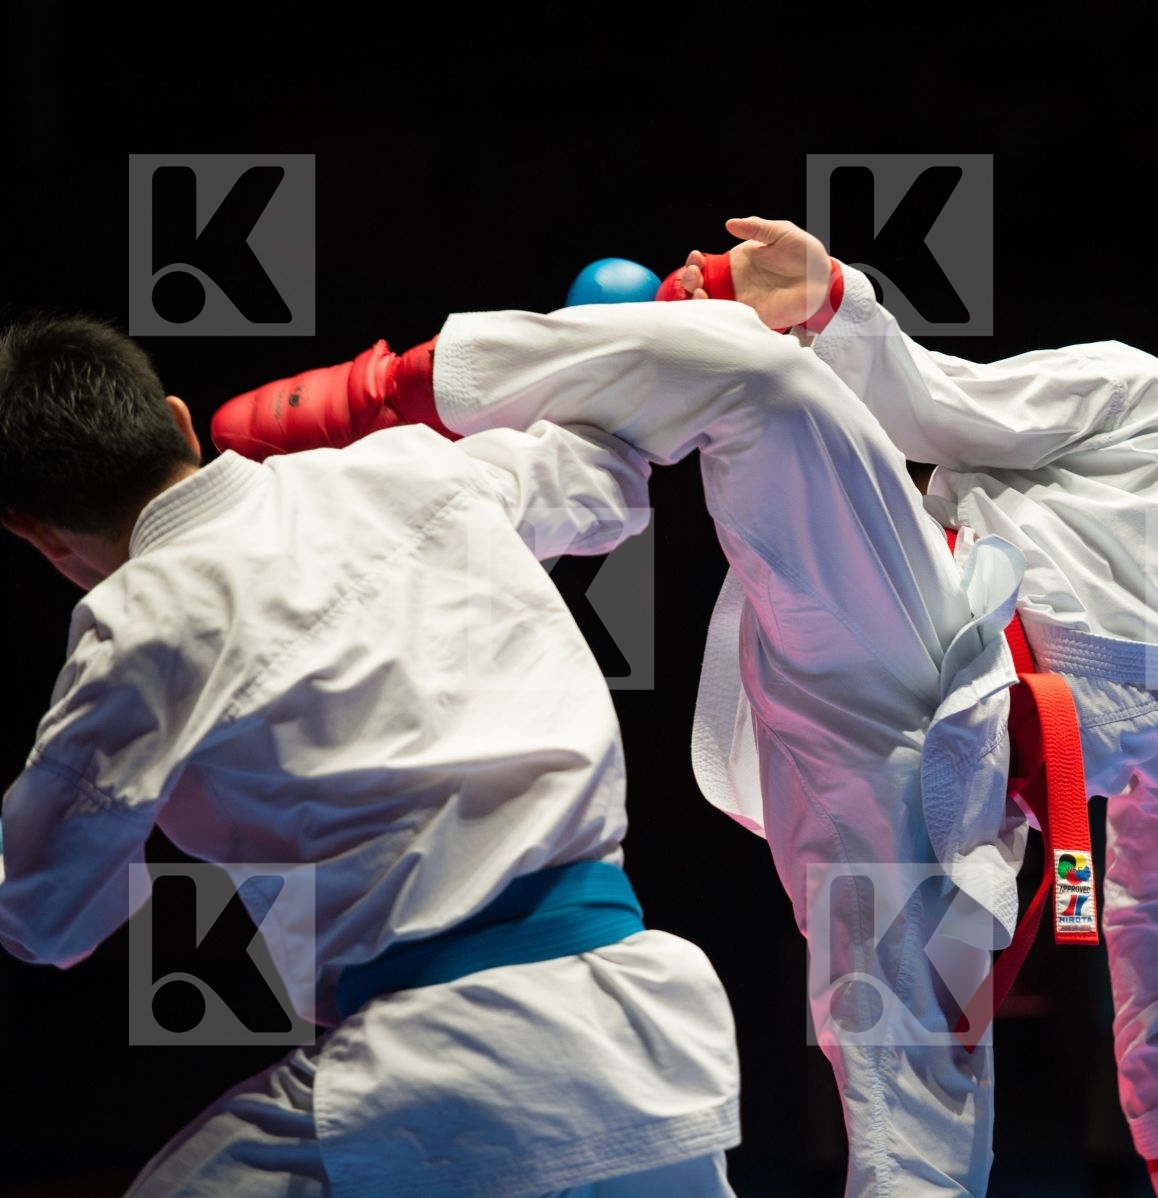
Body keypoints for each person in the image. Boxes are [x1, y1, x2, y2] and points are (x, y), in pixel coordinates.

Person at [207, 214, 1158, 1198]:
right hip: (901, 619)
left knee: (932, 1162)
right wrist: (836, 298)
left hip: (946, 836)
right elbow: (932, 403)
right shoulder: (1142, 402)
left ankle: (569, 459)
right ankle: (412, 396)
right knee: (765, 382)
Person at [0, 315, 743, 1198]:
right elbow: (607, 477)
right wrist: (606, 334)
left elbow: (46, 921)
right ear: (178, 420)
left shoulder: (139, 625)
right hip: (642, 1028)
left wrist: (144, 797)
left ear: (36, 533)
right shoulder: (406, 466)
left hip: (439, 1064)